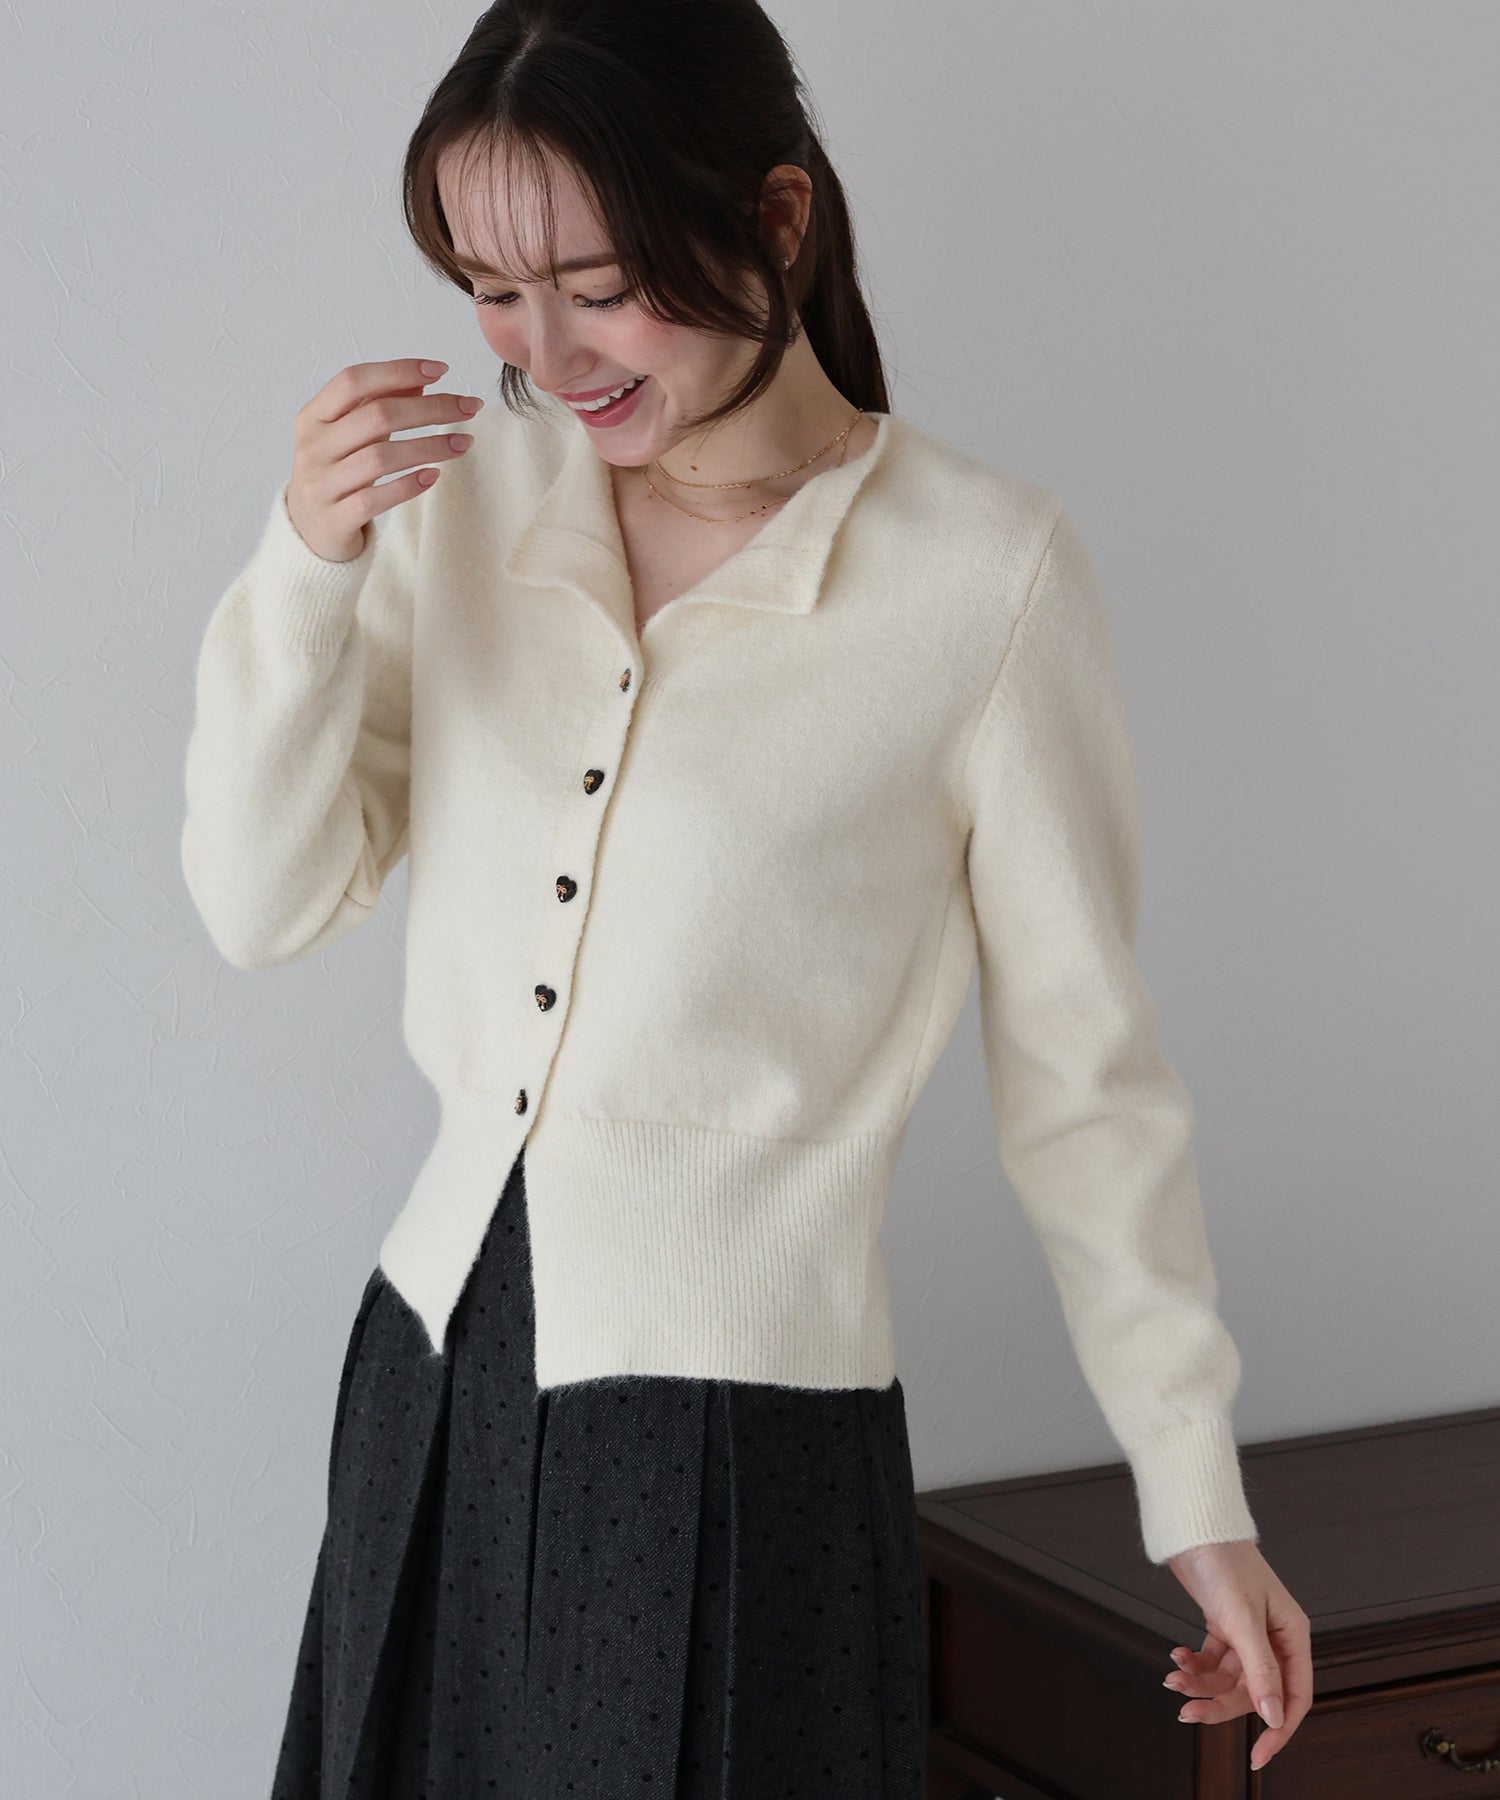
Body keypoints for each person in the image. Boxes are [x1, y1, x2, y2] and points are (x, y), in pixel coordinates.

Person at [179, 1, 1312, 1792]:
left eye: (597, 283)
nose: (545, 352)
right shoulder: (464, 506)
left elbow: (1086, 1081)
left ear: (775, 219)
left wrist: (1200, 1501)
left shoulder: (983, 579)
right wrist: (306, 569)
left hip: (739, 1439)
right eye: (492, 289)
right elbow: (265, 904)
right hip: (435, 1375)